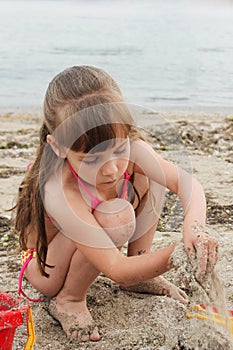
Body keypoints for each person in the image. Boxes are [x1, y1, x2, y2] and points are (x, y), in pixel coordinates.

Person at [14, 66, 218, 342]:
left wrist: (194, 228)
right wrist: (180, 253)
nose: (111, 170)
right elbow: (116, 269)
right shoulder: (59, 189)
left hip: (94, 240)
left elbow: (188, 185)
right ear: (58, 146)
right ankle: (70, 299)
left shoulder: (134, 152)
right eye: (92, 159)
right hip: (48, 267)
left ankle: (140, 261)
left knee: (153, 176)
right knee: (115, 216)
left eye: (119, 150)